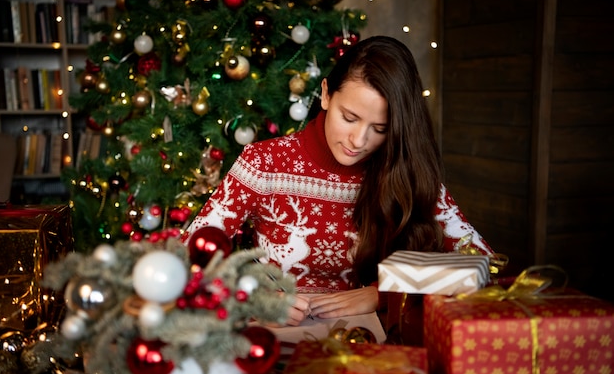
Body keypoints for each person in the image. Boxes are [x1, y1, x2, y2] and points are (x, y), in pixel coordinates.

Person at [183, 35, 495, 327]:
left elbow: (484, 265)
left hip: (370, 346)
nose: (359, 140)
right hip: (275, 340)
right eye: (349, 118)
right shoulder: (263, 163)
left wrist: (383, 293)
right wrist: (251, 297)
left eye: (380, 128)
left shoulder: (407, 168)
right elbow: (185, 259)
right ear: (326, 94)